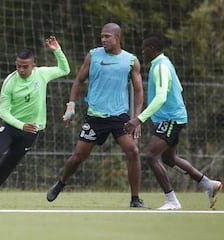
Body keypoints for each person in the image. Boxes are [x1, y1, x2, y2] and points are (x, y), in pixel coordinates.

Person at [46, 23, 146, 208]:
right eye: (102, 36)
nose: (103, 40)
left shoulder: (131, 60)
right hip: (95, 117)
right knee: (78, 156)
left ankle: (135, 199)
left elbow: (139, 91)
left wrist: (137, 118)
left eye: (107, 36)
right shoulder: (93, 55)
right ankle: (60, 183)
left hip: (119, 117)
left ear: (117, 38)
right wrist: (71, 106)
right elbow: (78, 80)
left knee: (133, 151)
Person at [0, 36, 70, 208]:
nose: (21, 70)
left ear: (33, 66)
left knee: (7, 166)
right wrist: (21, 124)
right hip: (12, 126)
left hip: (30, 133)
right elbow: (3, 112)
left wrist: (57, 51)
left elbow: (65, 69)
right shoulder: (10, 82)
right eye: (18, 66)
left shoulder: (42, 74)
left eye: (25, 67)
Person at [124, 32, 222, 210]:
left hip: (171, 119)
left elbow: (161, 97)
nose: (142, 52)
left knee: (152, 156)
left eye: (144, 49)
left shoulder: (161, 66)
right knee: (169, 158)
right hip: (171, 118)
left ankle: (172, 201)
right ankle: (209, 184)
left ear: (152, 49)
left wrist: (138, 119)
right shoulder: (164, 63)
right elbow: (179, 87)